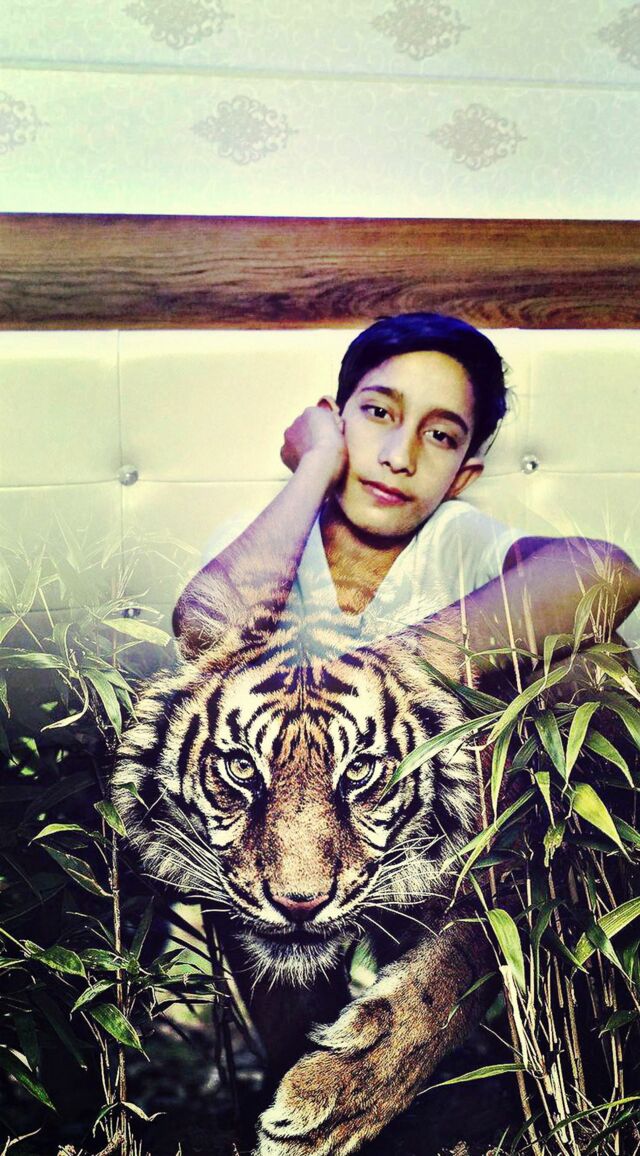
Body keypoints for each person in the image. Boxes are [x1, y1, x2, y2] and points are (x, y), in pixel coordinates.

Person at [173, 313, 639, 670]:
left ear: (461, 478)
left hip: (431, 765)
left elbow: (609, 572)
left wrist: (388, 675)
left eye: (440, 436)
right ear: (333, 421)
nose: (399, 457)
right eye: (378, 412)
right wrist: (316, 464)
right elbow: (204, 634)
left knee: (597, 658)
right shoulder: (261, 536)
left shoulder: (453, 537)